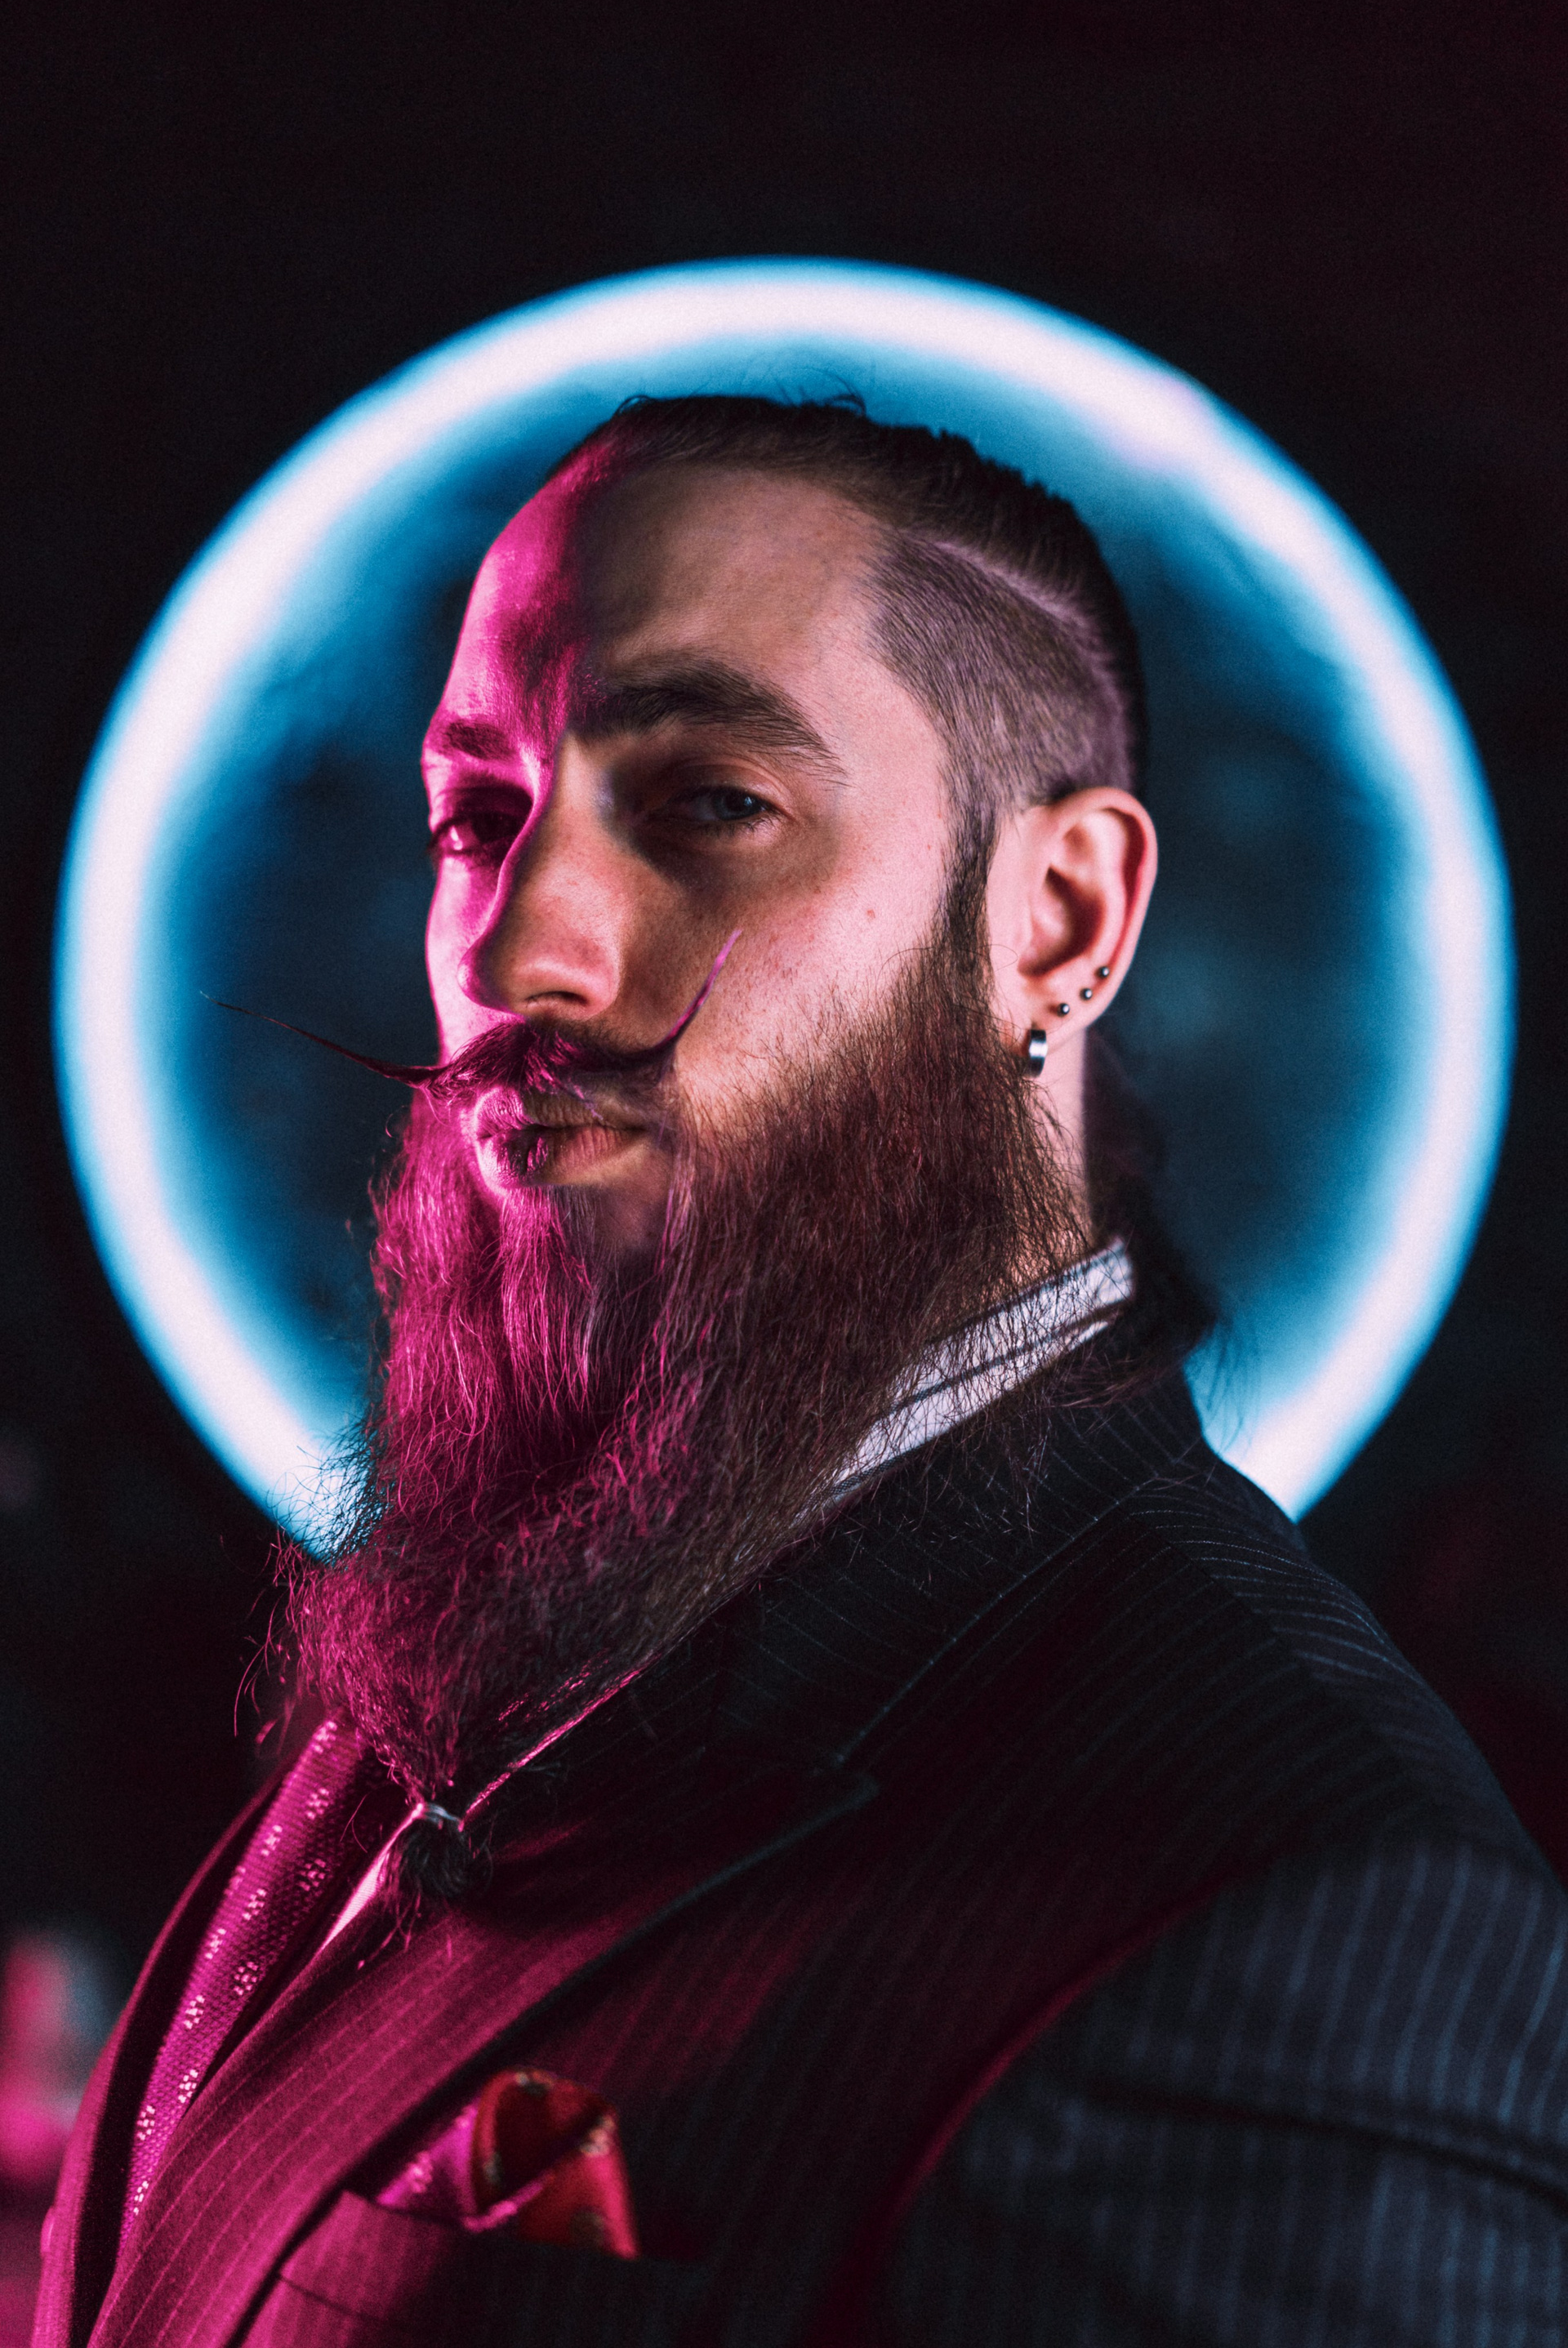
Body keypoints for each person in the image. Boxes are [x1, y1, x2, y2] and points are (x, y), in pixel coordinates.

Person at [36, 399, 1568, 2348]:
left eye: (706, 805)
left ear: (1062, 918)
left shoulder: (1302, 1915)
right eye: (478, 817)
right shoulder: (498, 1649)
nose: (515, 953)